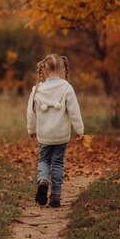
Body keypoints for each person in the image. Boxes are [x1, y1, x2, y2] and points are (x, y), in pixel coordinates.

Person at [26, 54, 85, 207]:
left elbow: (31, 111)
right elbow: (74, 111)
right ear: (62, 69)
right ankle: (55, 197)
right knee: (58, 163)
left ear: (44, 71)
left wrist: (31, 128)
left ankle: (43, 181)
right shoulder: (66, 87)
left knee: (44, 159)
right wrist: (79, 130)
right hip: (61, 135)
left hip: (44, 134)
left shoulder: (37, 89)